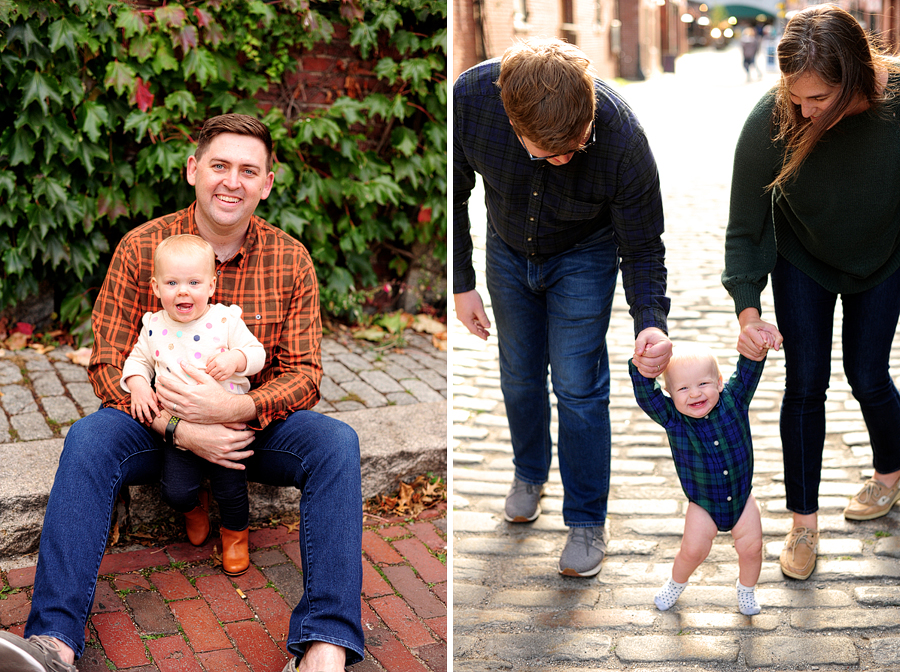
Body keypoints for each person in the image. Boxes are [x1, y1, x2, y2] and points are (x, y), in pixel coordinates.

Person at [0, 114, 364, 672]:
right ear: (194, 169)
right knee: (89, 438)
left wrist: (236, 409)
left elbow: (305, 374)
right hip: (157, 427)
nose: (232, 181)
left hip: (251, 431)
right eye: (219, 165)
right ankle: (52, 643)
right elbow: (106, 364)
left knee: (337, 443)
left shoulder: (291, 260)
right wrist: (182, 428)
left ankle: (325, 646)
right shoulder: (141, 248)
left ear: (267, 183)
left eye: (249, 170)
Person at [454, 37, 672, 577]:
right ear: (512, 120)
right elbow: (451, 192)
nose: (566, 159)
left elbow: (643, 245)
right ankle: (529, 473)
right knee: (519, 374)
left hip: (585, 252)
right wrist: (461, 282)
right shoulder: (472, 98)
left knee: (578, 384)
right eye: (549, 153)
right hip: (506, 247)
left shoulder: (621, 137)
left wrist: (651, 322)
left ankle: (585, 521)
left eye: (576, 146)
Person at [722, 4, 900, 582]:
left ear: (852, 75)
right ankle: (804, 524)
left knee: (869, 374)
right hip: (803, 258)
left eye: (818, 97)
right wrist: (748, 308)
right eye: (795, 95)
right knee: (805, 384)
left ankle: (890, 476)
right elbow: (746, 225)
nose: (804, 109)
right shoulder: (772, 119)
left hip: (885, 255)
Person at [122, 234, 267, 577]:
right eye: (172, 283)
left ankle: (235, 536)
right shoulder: (154, 326)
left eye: (193, 282)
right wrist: (139, 386)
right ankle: (193, 509)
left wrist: (235, 359)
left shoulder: (225, 320)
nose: (183, 291)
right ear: (156, 287)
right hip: (179, 429)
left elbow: (257, 353)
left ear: (212, 285)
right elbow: (137, 361)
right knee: (175, 490)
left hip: (225, 427)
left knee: (231, 490)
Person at [629, 343, 768, 615]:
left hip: (742, 499)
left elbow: (749, 369)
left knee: (752, 549)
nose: (694, 393)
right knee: (692, 552)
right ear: (669, 393)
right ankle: (676, 583)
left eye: (703, 383)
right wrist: (641, 366)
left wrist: (756, 342)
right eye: (683, 388)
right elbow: (647, 395)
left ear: (719, 382)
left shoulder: (734, 400)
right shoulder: (673, 419)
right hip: (703, 504)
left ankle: (747, 591)